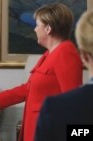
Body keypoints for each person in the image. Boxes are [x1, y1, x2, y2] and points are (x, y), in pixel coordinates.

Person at [0, 3, 83, 141]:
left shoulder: (66, 53)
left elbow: (73, 103)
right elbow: (29, 89)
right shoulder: (49, 55)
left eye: (37, 25)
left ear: (48, 28)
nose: (34, 29)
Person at [35, 10, 93, 141]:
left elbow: (77, 132)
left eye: (37, 24)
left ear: (83, 55)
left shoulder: (58, 108)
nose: (34, 29)